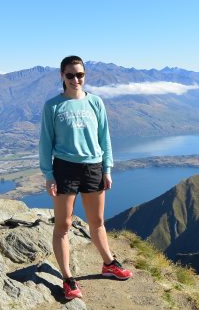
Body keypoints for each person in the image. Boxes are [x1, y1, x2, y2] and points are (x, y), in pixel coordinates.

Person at [39, 55, 132, 300]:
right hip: (65, 168)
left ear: (85, 76)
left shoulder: (96, 103)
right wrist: (49, 175)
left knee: (98, 221)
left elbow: (105, 138)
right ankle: (68, 279)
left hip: (93, 167)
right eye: (70, 75)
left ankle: (109, 264)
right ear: (62, 76)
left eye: (79, 74)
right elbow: (45, 143)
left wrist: (107, 169)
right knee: (63, 225)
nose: (75, 79)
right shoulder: (53, 106)